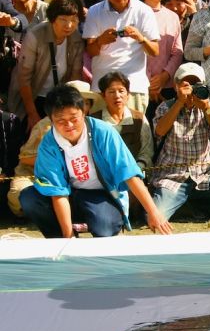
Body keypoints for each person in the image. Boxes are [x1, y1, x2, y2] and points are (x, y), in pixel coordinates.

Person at [19, 84, 172, 238]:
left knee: (105, 228)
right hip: (69, 195)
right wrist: (68, 237)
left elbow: (129, 173)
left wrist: (153, 212)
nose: (69, 125)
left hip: (100, 194)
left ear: (83, 112)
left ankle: (107, 226)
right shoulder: (48, 144)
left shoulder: (103, 132)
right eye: (61, 121)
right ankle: (59, 239)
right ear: (51, 120)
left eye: (73, 118)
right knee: (29, 198)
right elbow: (57, 192)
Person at [150, 62, 210, 221]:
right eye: (187, 84)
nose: (191, 88)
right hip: (171, 178)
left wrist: (206, 107)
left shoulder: (207, 106)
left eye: (196, 84)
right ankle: (184, 205)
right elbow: (159, 131)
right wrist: (180, 102)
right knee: (156, 216)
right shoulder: (165, 107)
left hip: (202, 177)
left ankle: (192, 206)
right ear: (176, 86)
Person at [7, 80, 98, 218]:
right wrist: (52, 163)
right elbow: (24, 158)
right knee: (20, 194)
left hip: (77, 176)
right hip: (36, 174)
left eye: (86, 102)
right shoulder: (44, 126)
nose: (80, 105)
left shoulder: (97, 127)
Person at [83, 0, 160, 113]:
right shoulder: (94, 11)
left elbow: (155, 51)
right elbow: (90, 51)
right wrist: (100, 40)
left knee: (133, 134)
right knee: (101, 135)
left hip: (133, 86)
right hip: (101, 87)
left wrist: (141, 38)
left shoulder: (144, 11)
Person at [9, 0, 85, 132]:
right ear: (52, 19)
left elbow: (75, 76)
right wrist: (32, 114)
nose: (69, 25)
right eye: (63, 19)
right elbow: (24, 78)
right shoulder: (35, 35)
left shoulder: (76, 38)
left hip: (58, 98)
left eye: (74, 20)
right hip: (33, 97)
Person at [134, 0, 183, 126]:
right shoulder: (135, 15)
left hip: (167, 86)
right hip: (140, 86)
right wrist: (149, 82)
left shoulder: (173, 17)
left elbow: (177, 52)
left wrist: (163, 77)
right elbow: (133, 51)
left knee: (165, 133)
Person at [92, 72, 153, 169]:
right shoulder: (94, 121)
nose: (117, 96)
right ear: (103, 96)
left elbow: (147, 151)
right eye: (111, 92)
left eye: (121, 91)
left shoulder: (139, 119)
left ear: (128, 94)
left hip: (135, 172)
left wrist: (136, 170)